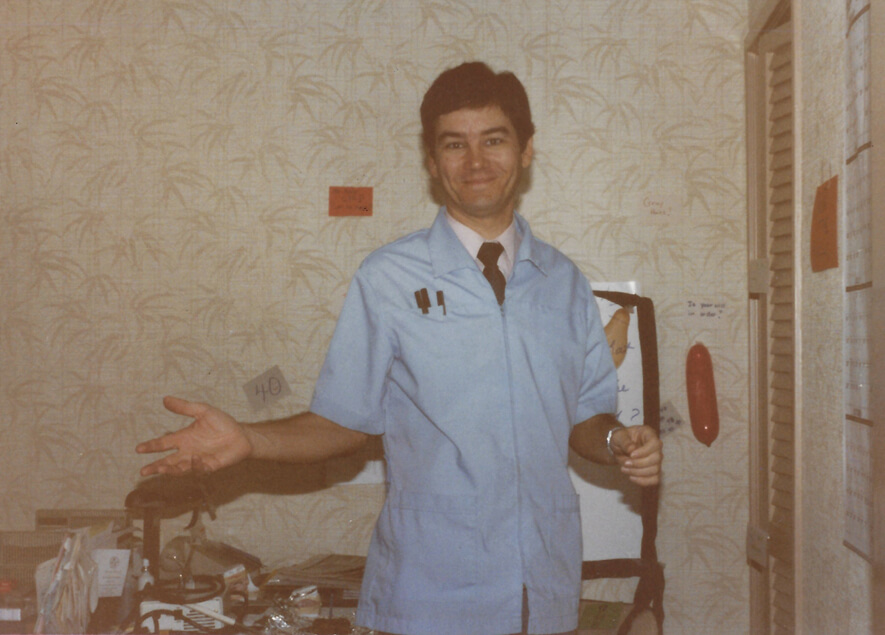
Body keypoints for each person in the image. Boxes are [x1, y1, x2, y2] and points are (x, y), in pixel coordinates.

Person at [137, 61, 662, 635]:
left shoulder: (563, 281)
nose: (476, 162)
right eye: (454, 145)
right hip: (429, 593)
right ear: (433, 163)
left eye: (494, 140)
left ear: (527, 149)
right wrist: (250, 438)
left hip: (542, 590)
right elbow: (345, 423)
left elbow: (583, 417)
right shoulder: (387, 278)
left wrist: (617, 440)